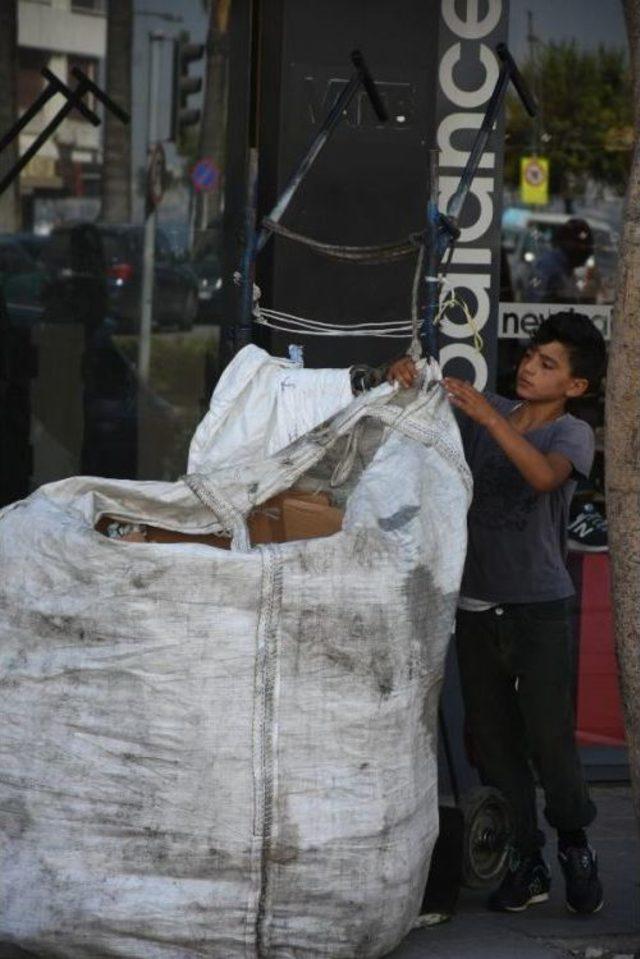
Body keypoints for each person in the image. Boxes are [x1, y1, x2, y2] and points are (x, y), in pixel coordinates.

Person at [388, 311, 607, 916]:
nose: (531, 370)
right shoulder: (490, 411)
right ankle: (525, 856)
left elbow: (541, 479)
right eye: (531, 358)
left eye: (548, 365)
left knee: (548, 739)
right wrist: (405, 375)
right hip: (475, 608)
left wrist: (487, 416)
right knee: (494, 742)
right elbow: (419, 400)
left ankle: (573, 840)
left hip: (539, 608)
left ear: (576, 387)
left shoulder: (570, 433)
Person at [524, 218, 594, 303]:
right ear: (570, 244)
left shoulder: (567, 271)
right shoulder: (548, 267)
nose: (587, 254)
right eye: (583, 247)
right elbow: (534, 302)